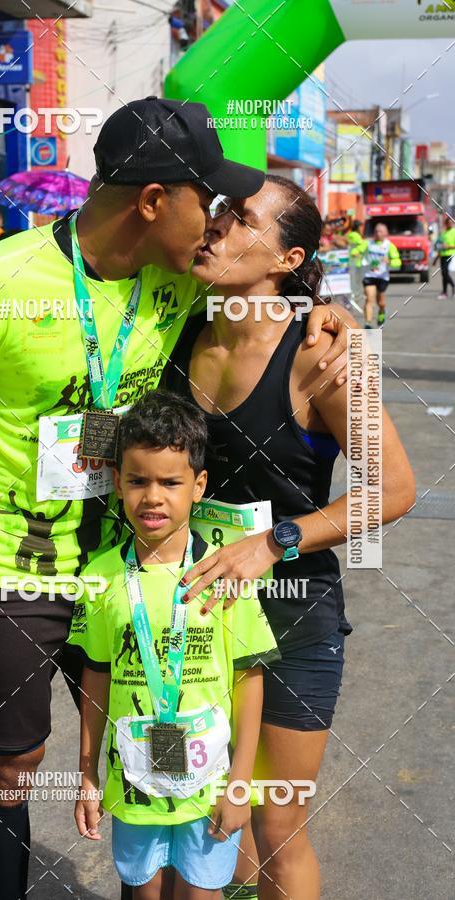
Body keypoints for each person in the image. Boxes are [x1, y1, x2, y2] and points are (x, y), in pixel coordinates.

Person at [0, 97, 350, 899]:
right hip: (7, 570)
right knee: (14, 768)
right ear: (154, 202)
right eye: (209, 201)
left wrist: (322, 311)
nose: (219, 222)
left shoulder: (180, 281)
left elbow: (266, 296)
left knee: (153, 742)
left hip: (133, 562)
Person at [165, 175, 416, 900]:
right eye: (217, 214)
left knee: (277, 822)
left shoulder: (318, 355)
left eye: (242, 221)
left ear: (288, 256)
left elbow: (393, 489)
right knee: (204, 815)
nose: (215, 228)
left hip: (291, 614)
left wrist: (273, 541)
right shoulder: (175, 325)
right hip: (194, 615)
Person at [70, 391, 280, 899]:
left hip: (209, 788)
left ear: (198, 485)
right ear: (117, 482)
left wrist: (240, 783)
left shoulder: (224, 574)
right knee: (145, 892)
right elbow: (95, 677)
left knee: (202, 893)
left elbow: (248, 679)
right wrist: (87, 773)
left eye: (170, 482)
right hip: (133, 782)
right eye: (138, 480)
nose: (153, 496)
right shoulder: (100, 578)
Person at [351, 221, 401, 328]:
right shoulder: (368, 243)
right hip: (369, 275)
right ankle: (368, 323)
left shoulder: (389, 246)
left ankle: (382, 312)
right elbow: (357, 250)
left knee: (381, 303)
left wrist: (390, 262)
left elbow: (398, 262)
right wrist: (355, 253)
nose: (378, 233)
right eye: (376, 231)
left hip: (382, 277)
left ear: (385, 233)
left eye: (380, 231)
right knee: (369, 298)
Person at [435, 213, 455, 299]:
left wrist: (448, 247)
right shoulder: (443, 233)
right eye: (448, 223)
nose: (450, 224)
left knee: (445, 272)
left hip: (450, 255)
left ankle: (453, 286)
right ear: (446, 223)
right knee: (443, 274)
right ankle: (444, 292)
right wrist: (435, 259)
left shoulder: (454, 232)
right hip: (443, 255)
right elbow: (440, 246)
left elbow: (448, 246)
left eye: (451, 223)